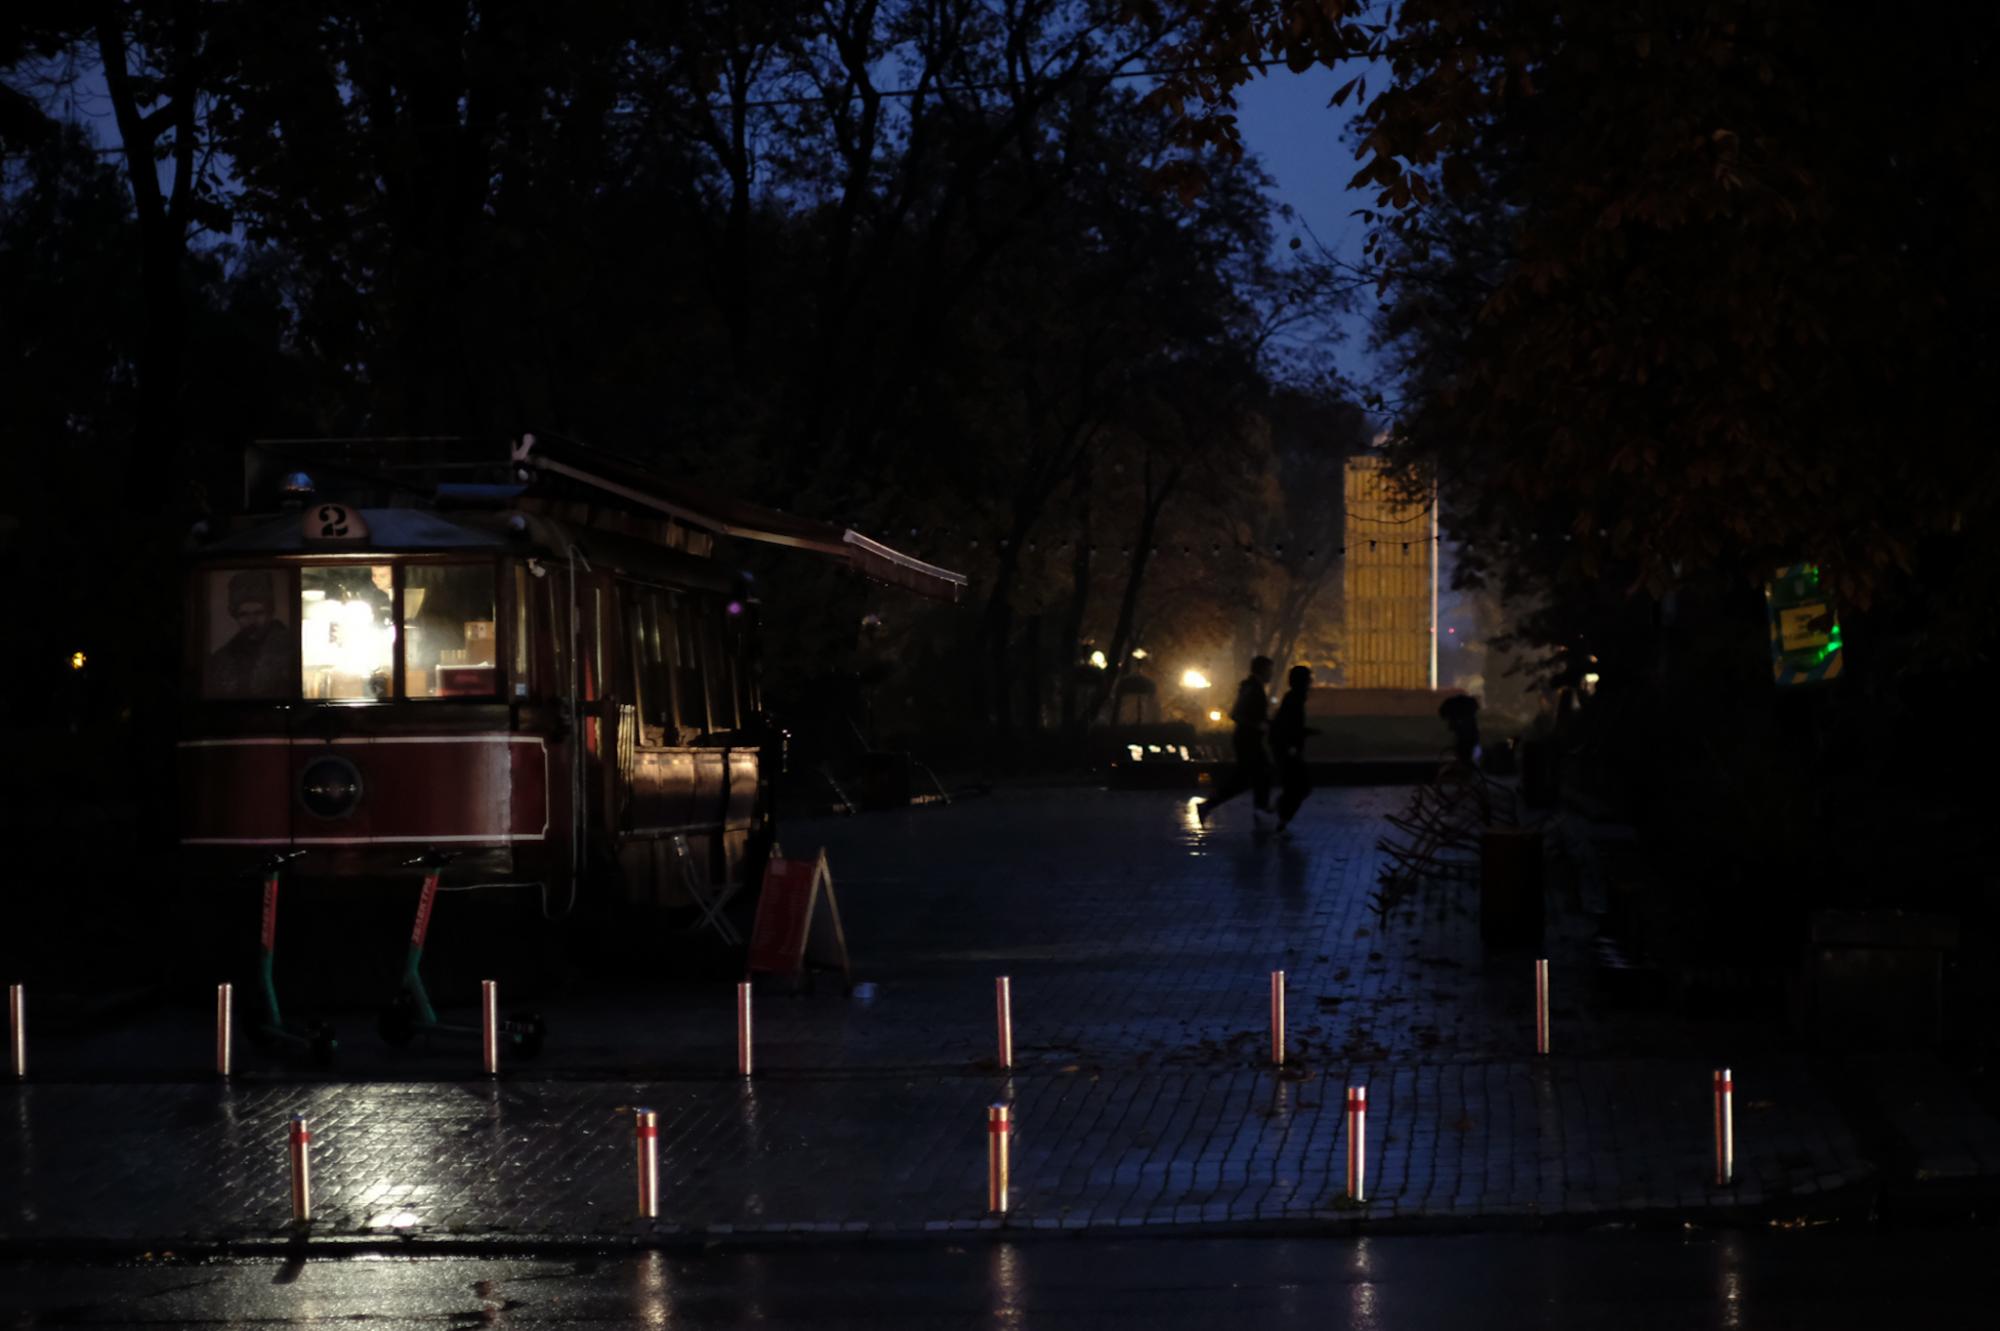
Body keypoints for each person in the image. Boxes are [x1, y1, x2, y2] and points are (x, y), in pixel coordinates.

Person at [1195, 655, 1274, 824]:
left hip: (1248, 739)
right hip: (1247, 740)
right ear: (1262, 670)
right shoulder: (1252, 688)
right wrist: (1258, 725)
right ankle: (1260, 808)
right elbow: (1236, 714)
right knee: (1256, 774)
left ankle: (1211, 805)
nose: (1271, 674)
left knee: (1252, 775)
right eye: (1269, 670)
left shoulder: (1253, 687)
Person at [205, 569, 297, 698]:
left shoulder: (290, 649)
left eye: (258, 613)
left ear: (270, 613)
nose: (251, 621)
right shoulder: (221, 660)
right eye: (244, 615)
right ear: (235, 616)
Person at [1270, 665, 1320, 832]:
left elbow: (1286, 724)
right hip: (1288, 749)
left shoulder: (1293, 697)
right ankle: (1281, 815)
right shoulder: (1295, 699)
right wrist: (1293, 745)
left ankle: (1282, 815)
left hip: (1285, 747)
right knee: (1300, 787)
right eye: (1309, 679)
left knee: (1296, 787)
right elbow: (1290, 726)